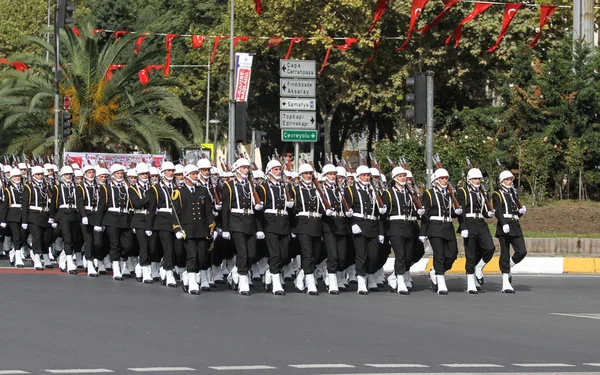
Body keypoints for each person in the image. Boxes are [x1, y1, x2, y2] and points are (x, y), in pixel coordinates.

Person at [221, 158, 262, 296]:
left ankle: (236, 271)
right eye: (244, 168)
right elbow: (225, 209)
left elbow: (256, 210)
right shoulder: (229, 186)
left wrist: (257, 208)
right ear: (237, 169)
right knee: (242, 252)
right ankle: (243, 279)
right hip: (236, 222)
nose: (246, 170)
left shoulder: (251, 186)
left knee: (252, 254)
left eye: (247, 168)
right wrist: (225, 228)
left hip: (250, 221)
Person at [172, 164, 215, 295]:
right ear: (186, 176)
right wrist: (177, 229)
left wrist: (212, 226)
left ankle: (189, 276)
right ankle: (192, 282)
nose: (196, 176)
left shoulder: (202, 191)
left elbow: (208, 211)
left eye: (196, 173)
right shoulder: (179, 192)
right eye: (193, 174)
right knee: (192, 256)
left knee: (202, 257)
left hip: (201, 229)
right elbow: (175, 213)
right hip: (187, 230)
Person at [382, 166, 424, 295]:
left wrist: (419, 213)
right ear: (394, 178)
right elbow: (384, 214)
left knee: (408, 256)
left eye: (404, 176)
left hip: (409, 227)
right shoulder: (388, 193)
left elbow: (413, 211)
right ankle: (400, 282)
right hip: (395, 227)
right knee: (400, 255)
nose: (403, 178)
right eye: (400, 176)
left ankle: (394, 277)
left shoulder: (410, 193)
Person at [345, 166, 387, 294]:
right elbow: (347, 210)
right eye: (363, 175)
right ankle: (362, 280)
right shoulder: (350, 190)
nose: (366, 178)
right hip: (359, 225)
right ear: (358, 177)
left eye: (368, 175)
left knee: (374, 255)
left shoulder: (373, 191)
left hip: (372, 226)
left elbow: (378, 215)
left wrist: (380, 231)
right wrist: (352, 224)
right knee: (361, 255)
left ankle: (371, 274)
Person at [420, 168, 463, 295]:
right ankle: (441, 280)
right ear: (435, 180)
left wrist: (456, 213)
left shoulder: (449, 194)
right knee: (439, 254)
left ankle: (436, 271)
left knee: (453, 253)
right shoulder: (429, 194)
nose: (445, 180)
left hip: (448, 226)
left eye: (446, 178)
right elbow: (425, 214)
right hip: (434, 227)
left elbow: (449, 211)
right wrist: (423, 232)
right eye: (442, 178)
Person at [291, 163, 329, 296]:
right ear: (301, 175)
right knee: (307, 254)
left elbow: (322, 207)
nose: (308, 176)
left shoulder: (317, 191)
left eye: (310, 173)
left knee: (316, 255)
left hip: (316, 224)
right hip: (302, 224)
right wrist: (292, 227)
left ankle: (301, 276)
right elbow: (292, 210)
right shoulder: (295, 190)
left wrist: (326, 212)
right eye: (306, 173)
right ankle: (310, 281)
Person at [256, 160, 293, 296]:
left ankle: (270, 271)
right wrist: (259, 228)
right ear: (269, 171)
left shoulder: (286, 187)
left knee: (284, 256)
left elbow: (291, 210)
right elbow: (259, 211)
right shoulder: (263, 188)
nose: (278, 172)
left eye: (279, 169)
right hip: (269, 223)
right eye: (276, 169)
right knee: (275, 254)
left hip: (283, 223)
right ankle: (276, 283)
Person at [457, 168, 496, 294]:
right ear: (469, 180)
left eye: (479, 179)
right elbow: (461, 211)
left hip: (480, 223)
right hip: (469, 223)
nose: (477, 181)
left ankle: (479, 268)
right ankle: (470, 283)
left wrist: (489, 213)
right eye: (475, 178)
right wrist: (463, 227)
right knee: (471, 253)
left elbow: (483, 210)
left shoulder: (483, 192)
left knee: (490, 248)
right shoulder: (463, 192)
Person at [492, 170, 527, 294]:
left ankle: (509, 265)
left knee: (522, 251)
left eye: (511, 179)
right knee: (505, 253)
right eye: (507, 180)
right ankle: (505, 282)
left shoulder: (513, 193)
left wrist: (520, 212)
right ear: (502, 181)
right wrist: (503, 223)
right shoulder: (497, 194)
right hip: (504, 226)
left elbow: (513, 211)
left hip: (515, 225)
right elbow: (498, 210)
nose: (509, 182)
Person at [146, 162, 180, 287]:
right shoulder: (156, 189)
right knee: (168, 248)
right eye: (168, 171)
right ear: (163, 173)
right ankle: (169, 272)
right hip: (162, 221)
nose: (170, 173)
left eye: (172, 171)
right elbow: (151, 208)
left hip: (175, 221)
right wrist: (149, 226)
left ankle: (165, 268)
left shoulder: (177, 188)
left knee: (178, 249)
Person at [320, 164, 352, 294]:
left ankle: (331, 275)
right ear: (325, 176)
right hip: (329, 225)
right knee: (333, 256)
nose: (333, 177)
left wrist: (347, 212)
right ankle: (332, 282)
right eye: (330, 174)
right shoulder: (321, 190)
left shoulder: (340, 190)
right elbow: (319, 206)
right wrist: (324, 212)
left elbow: (345, 204)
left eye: (334, 174)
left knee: (342, 257)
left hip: (341, 224)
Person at [50, 166, 83, 274]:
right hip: (63, 215)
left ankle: (62, 258)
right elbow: (54, 204)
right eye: (66, 174)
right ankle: (70, 264)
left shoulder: (77, 187)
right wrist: (52, 218)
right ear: (62, 176)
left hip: (74, 214)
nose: (68, 176)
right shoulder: (58, 188)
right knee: (67, 239)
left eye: (70, 174)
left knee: (74, 240)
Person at [102, 164, 133, 281]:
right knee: (114, 244)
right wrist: (99, 223)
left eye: (121, 173)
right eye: (117, 173)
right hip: (112, 218)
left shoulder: (127, 187)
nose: (120, 175)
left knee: (127, 244)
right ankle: (116, 268)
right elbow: (102, 205)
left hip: (125, 217)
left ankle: (122, 261)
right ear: (112, 175)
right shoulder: (107, 187)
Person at [76, 165, 107, 277]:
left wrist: (100, 221)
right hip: (86, 215)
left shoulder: (100, 187)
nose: (91, 174)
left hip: (96, 216)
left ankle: (92, 257)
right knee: (88, 241)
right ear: (85, 174)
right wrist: (83, 215)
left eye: (93, 172)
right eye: (89, 172)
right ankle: (90, 263)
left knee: (98, 242)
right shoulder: (80, 187)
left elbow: (102, 204)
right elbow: (79, 203)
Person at [22, 166, 54, 271]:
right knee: (37, 237)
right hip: (34, 215)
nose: (40, 176)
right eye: (38, 175)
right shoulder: (29, 187)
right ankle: (37, 258)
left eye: (41, 175)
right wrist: (24, 220)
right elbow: (25, 204)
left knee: (46, 238)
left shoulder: (46, 187)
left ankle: (45, 256)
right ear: (33, 176)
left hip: (45, 215)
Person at [128, 163, 154, 283]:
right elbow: (136, 204)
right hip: (139, 219)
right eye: (142, 174)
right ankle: (145, 270)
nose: (145, 176)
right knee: (143, 245)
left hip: (151, 218)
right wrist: (149, 198)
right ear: (138, 175)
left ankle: (140, 265)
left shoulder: (152, 187)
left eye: (146, 174)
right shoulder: (132, 188)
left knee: (152, 246)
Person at [1, 168, 26, 268]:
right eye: (15, 176)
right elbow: (5, 205)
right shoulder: (8, 190)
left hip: (22, 215)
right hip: (12, 215)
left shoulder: (24, 188)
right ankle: (18, 258)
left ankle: (13, 251)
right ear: (11, 178)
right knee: (16, 235)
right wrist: (3, 220)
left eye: (18, 176)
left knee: (23, 236)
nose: (17, 178)